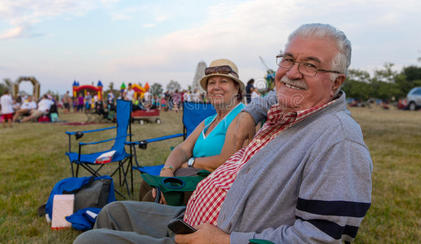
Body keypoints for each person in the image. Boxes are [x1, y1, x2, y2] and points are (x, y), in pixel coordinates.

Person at [75, 23, 372, 244]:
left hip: (220, 236)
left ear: (336, 83)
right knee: (112, 212)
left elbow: (323, 238)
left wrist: (226, 241)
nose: (293, 72)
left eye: (310, 65)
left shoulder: (337, 140)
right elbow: (271, 96)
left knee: (89, 242)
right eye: (288, 59)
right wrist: (249, 113)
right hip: (190, 218)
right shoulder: (282, 109)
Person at [139, 59, 246, 202]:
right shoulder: (209, 121)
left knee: (153, 197)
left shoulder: (243, 117)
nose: (216, 87)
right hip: (191, 176)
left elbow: (226, 160)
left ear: (237, 88)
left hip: (213, 187)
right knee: (148, 184)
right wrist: (168, 170)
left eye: (223, 81)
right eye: (212, 83)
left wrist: (189, 163)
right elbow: (182, 149)